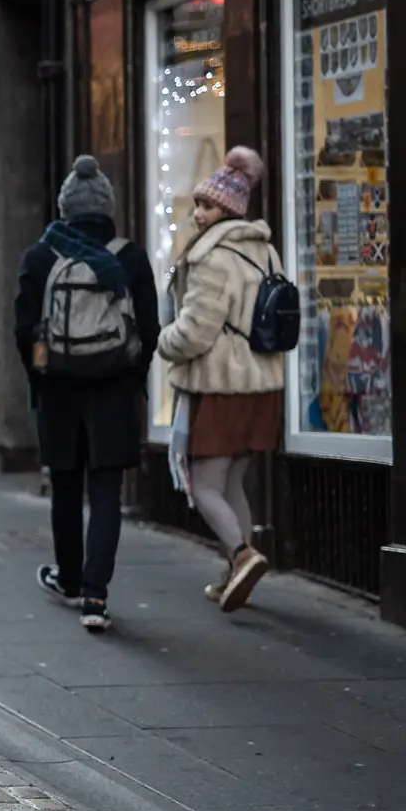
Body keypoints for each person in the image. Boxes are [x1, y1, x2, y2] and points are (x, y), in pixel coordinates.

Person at [16, 155, 159, 632]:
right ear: (107, 206)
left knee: (64, 487)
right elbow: (151, 327)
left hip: (58, 391)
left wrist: (42, 376)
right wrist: (131, 373)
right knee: (105, 492)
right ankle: (96, 597)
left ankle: (70, 579)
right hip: (113, 390)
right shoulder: (129, 255)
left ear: (65, 207)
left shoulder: (41, 255)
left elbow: (24, 328)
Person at [158, 146, 284, 613]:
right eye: (198, 203)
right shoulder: (265, 251)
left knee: (205, 486)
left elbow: (195, 331)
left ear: (227, 209)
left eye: (206, 205)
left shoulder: (212, 258)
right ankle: (236, 576)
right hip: (261, 386)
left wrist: (163, 341)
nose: (198, 213)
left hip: (221, 386)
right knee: (233, 485)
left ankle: (242, 555)